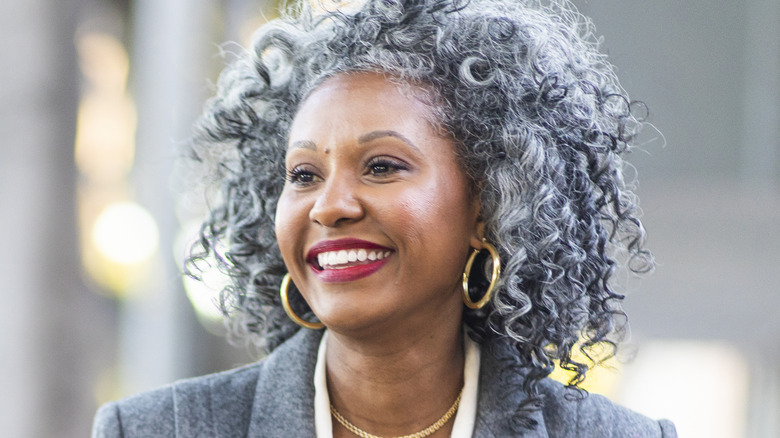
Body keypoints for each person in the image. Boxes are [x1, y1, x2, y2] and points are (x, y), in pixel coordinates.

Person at [93, 0, 677, 436]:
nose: (330, 206)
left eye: (381, 166)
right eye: (304, 174)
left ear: (487, 205)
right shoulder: (151, 430)